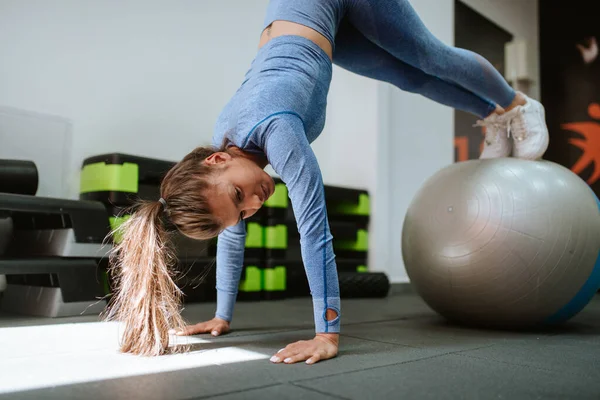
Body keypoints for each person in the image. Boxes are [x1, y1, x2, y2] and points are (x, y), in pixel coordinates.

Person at [104, 0, 550, 363]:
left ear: (218, 158)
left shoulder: (278, 130)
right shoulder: (227, 156)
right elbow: (232, 239)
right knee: (408, 75)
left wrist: (327, 334)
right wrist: (222, 316)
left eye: (240, 198)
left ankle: (517, 105)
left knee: (428, 56)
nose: (253, 205)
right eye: (241, 212)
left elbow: (315, 232)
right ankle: (491, 115)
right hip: (313, 18)